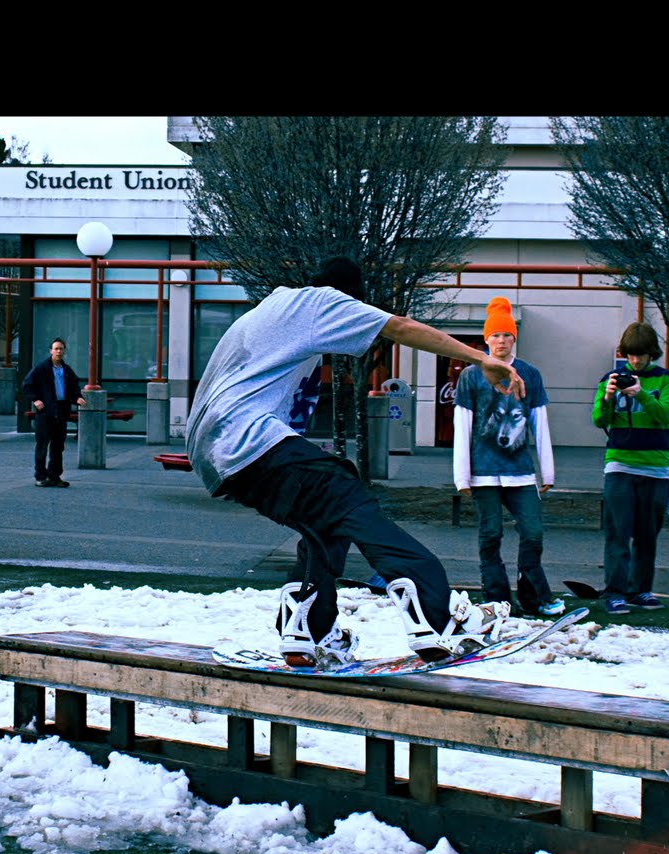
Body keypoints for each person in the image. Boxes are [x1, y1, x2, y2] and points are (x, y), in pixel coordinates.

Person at [187, 256, 525, 667]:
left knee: (325, 513)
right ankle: (439, 615)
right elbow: (399, 326)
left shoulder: (270, 311)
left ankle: (307, 625)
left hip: (215, 452)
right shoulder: (320, 302)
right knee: (348, 499)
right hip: (245, 438)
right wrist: (480, 359)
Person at [453, 297, 562, 618]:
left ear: (515, 337)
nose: (501, 341)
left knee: (533, 533)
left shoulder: (529, 373)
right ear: (485, 338)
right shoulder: (471, 375)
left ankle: (533, 595)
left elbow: (540, 423)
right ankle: (497, 601)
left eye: (507, 335)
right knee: (490, 535)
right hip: (484, 473)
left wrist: (548, 472)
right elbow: (462, 426)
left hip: (521, 473)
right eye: (495, 335)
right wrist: (462, 476)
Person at [591, 321, 669, 615]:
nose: (635, 361)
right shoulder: (610, 379)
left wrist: (640, 393)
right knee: (617, 532)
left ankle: (641, 589)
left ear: (651, 353)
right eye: (629, 355)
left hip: (655, 468)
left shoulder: (666, 380)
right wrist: (608, 398)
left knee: (647, 534)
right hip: (619, 466)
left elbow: (666, 415)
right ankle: (615, 591)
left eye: (640, 355)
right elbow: (598, 421)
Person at [22, 337, 86, 487]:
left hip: (61, 411)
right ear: (51, 351)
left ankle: (55, 476)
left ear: (64, 351)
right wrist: (35, 400)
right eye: (56, 348)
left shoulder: (67, 370)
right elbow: (27, 385)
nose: (58, 351)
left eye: (61, 349)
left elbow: (74, 387)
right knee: (42, 445)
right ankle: (40, 476)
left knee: (58, 446)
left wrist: (77, 398)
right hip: (45, 412)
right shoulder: (41, 368)